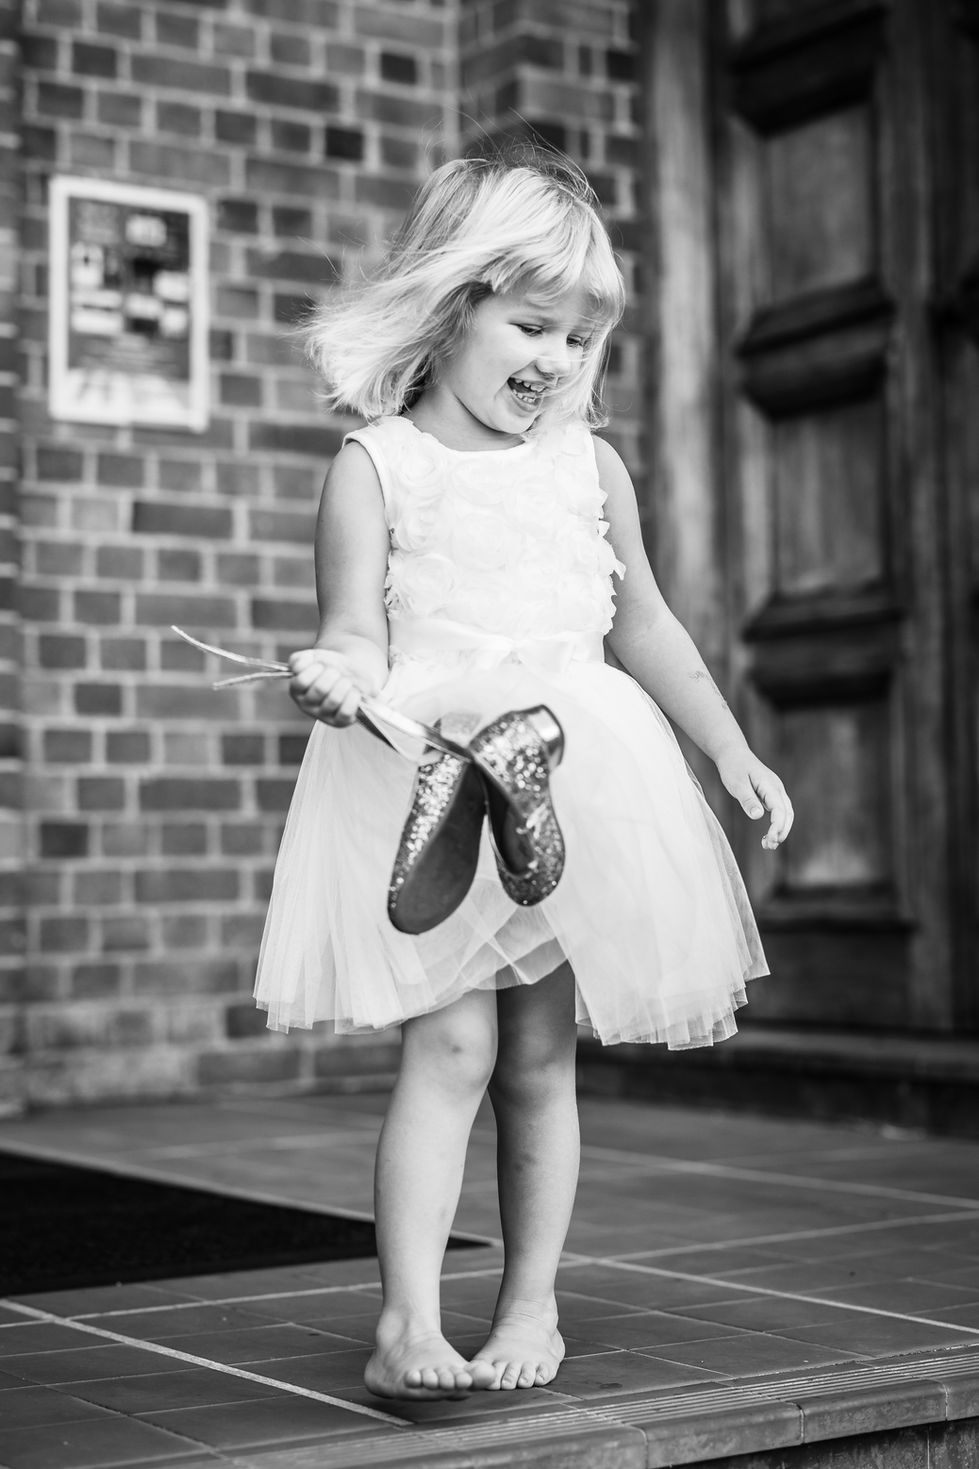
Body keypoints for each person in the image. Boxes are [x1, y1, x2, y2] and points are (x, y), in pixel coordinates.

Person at [254, 150, 793, 1400]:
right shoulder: (377, 465)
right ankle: (407, 1321)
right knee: (449, 1047)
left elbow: (642, 622)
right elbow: (356, 631)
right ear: (452, 308)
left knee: (540, 1057)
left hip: (565, 781)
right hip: (439, 785)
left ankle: (530, 1300)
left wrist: (727, 744)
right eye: (532, 326)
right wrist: (335, 671)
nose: (558, 359)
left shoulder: (586, 465)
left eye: (581, 338)